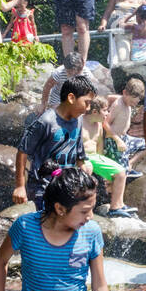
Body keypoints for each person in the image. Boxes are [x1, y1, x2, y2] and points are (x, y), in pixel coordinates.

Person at [15, 75, 95, 213]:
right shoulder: (46, 121)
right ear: (71, 98)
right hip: (43, 187)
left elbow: (78, 151)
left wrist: (83, 167)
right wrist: (20, 186)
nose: (88, 108)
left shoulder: (78, 120)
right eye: (86, 103)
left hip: (66, 186)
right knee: (46, 224)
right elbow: (23, 151)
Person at [82, 97, 138, 218]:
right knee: (119, 172)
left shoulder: (98, 126)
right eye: (105, 110)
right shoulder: (80, 122)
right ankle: (115, 206)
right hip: (82, 157)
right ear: (95, 112)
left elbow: (100, 148)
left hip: (95, 157)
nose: (107, 114)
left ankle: (117, 205)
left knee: (121, 172)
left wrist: (103, 171)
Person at [104, 77, 146, 163]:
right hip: (113, 141)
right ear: (124, 93)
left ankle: (130, 164)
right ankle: (125, 167)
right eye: (132, 102)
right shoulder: (118, 105)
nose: (133, 104)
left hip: (124, 137)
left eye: (136, 103)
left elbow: (109, 96)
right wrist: (117, 140)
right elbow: (105, 123)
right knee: (120, 170)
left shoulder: (126, 102)